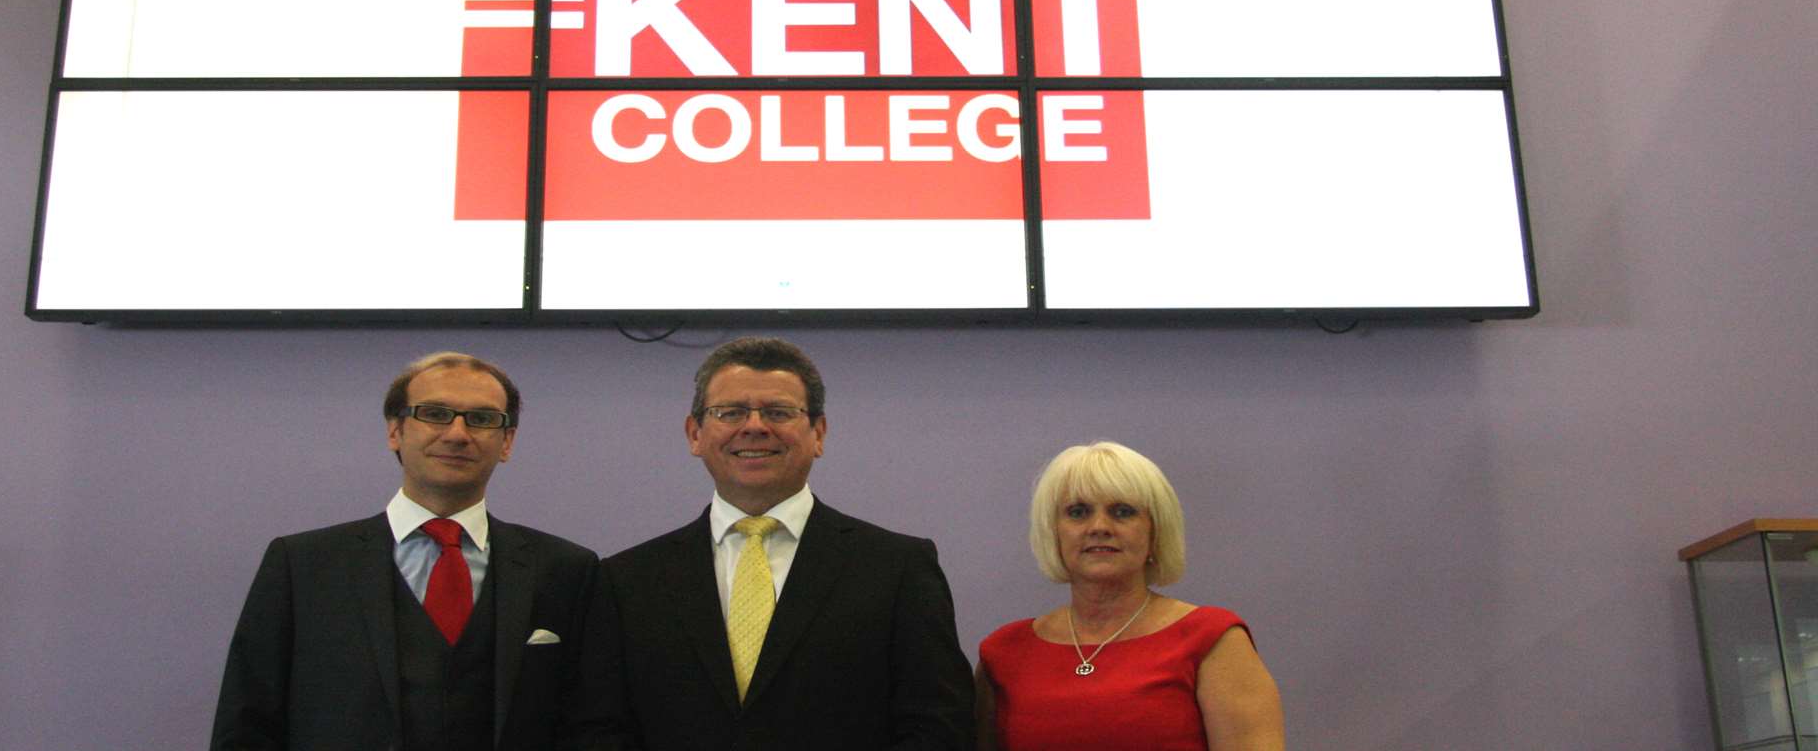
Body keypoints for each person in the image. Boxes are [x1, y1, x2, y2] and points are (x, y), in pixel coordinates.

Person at [586, 336, 975, 750]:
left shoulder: (899, 569)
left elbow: (939, 728)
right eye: (730, 412)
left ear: (818, 433)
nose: (754, 427)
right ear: (695, 434)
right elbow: (599, 730)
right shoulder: (626, 580)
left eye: (778, 412)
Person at [210, 352, 601, 751]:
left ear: (507, 442)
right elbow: (246, 727)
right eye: (435, 413)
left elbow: (593, 727)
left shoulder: (566, 571)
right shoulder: (302, 566)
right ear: (395, 431)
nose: (457, 434)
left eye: (482, 419)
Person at [975, 441, 1284, 751]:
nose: (1099, 527)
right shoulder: (1004, 653)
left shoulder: (1212, 640)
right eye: (1078, 512)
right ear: (1052, 532)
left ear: (1155, 532)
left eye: (1122, 512)